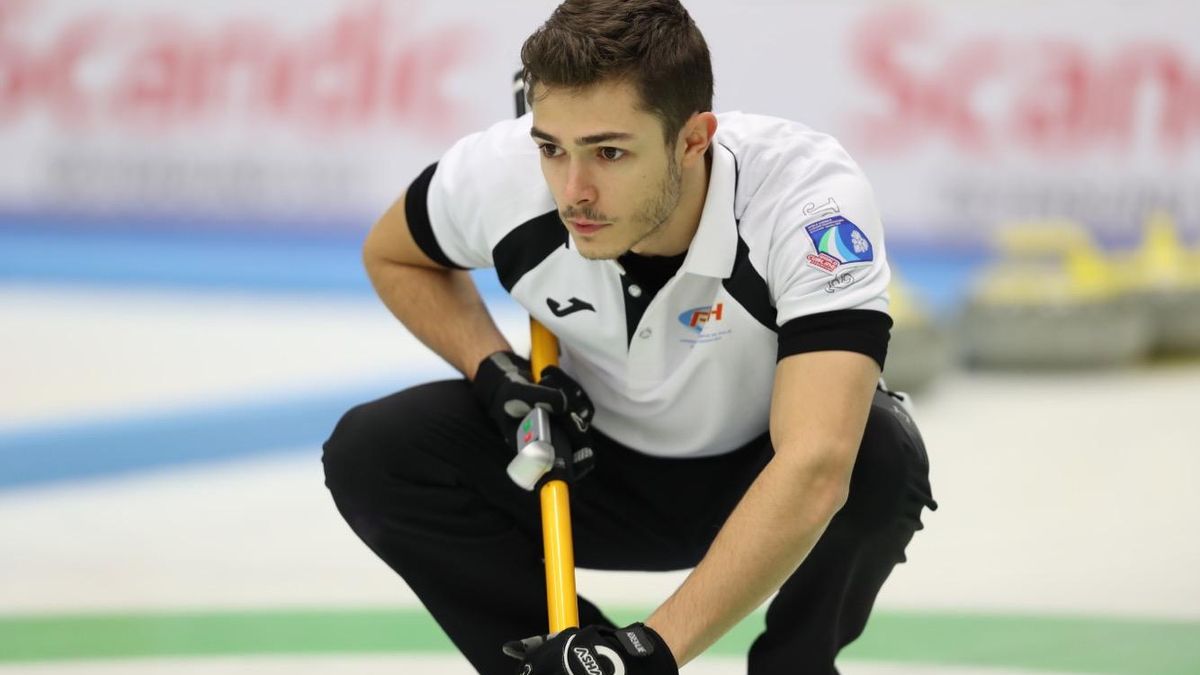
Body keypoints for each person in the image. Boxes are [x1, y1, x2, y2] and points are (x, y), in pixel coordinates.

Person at [322, 0, 937, 673]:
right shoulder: (502, 173)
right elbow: (393, 254)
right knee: (375, 449)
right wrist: (493, 369)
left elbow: (815, 463)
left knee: (880, 455)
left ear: (694, 139)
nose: (573, 190)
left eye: (609, 151)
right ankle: (575, 667)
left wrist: (650, 650)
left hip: (760, 475)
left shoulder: (807, 203)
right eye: (552, 148)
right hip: (588, 461)